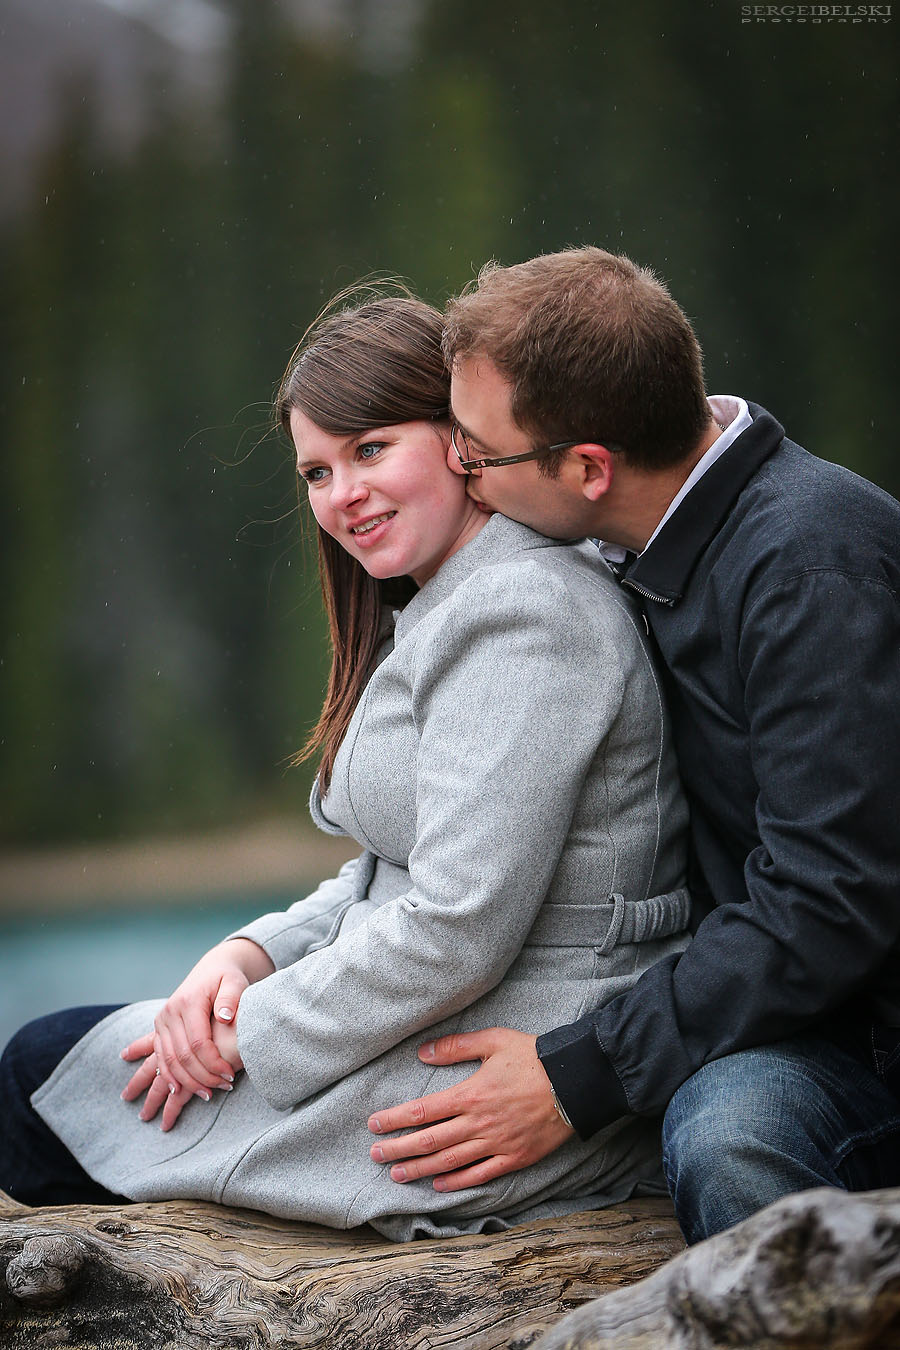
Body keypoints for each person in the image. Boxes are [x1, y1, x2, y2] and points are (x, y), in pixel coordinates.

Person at [0, 292, 692, 1240]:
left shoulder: (527, 615)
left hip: (511, 1049)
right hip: (443, 1010)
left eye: (371, 450)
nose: (343, 497)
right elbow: (394, 868)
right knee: (54, 1070)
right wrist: (251, 953)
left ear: (460, 439)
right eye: (317, 472)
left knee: (42, 1084)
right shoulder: (454, 599)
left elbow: (458, 924)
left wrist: (251, 1030)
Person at [366, 248, 900, 1245]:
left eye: (477, 451)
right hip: (782, 1011)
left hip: (868, 1043)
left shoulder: (809, 567)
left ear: (587, 468)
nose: (458, 468)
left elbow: (830, 900)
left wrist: (582, 1072)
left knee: (731, 1135)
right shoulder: (622, 550)